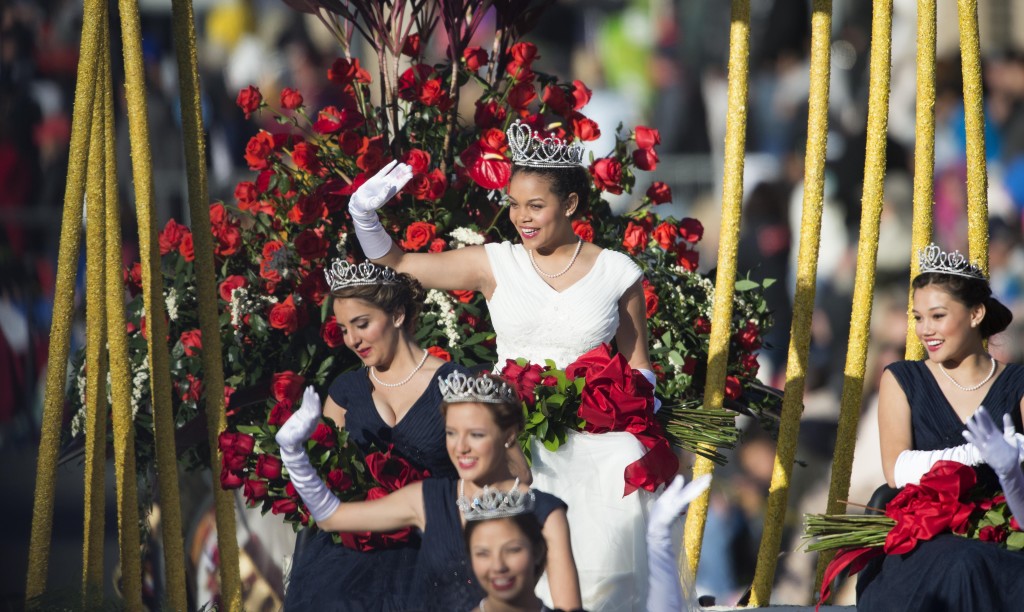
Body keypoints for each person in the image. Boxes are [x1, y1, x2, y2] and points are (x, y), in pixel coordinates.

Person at [346, 120, 676, 611]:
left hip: (599, 450)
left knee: (604, 576)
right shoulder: (495, 262)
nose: (521, 217)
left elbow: (638, 365)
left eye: (535, 206)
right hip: (516, 444)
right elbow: (402, 265)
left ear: (569, 205)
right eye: (515, 204)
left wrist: (634, 415)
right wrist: (364, 218)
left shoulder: (616, 272)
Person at [276, 371, 583, 611]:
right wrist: (293, 453)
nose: (460, 447)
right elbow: (332, 518)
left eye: (475, 434)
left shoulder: (544, 512)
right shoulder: (428, 499)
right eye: (451, 433)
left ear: (507, 436)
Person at [284, 260, 466, 610]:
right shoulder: (346, 389)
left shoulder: (456, 384)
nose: (352, 340)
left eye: (362, 324)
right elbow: (325, 482)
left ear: (397, 315)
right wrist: (298, 454)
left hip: (435, 559)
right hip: (346, 565)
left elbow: (500, 477)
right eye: (343, 329)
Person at [857, 243, 1024, 610]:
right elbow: (897, 469)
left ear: (976, 313)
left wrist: (1011, 469)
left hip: (1005, 537)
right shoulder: (903, 378)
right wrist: (978, 453)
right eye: (918, 318)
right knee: (963, 564)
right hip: (923, 540)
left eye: (937, 316)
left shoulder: (1019, 383)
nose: (924, 330)